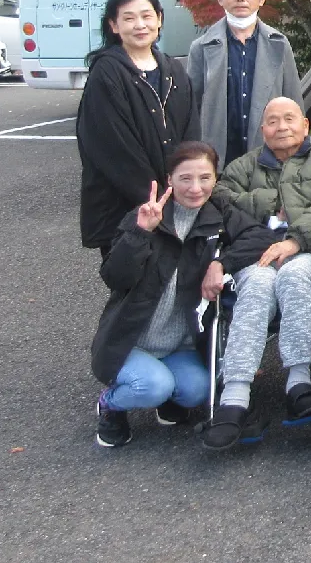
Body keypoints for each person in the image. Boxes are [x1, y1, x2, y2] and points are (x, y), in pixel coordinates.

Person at [198, 97, 311, 448]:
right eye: (273, 121)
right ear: (263, 130)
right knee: (255, 284)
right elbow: (219, 194)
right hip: (255, 252)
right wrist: (271, 201)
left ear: (306, 124)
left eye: (289, 119)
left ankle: (299, 382)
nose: (281, 127)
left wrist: (296, 238)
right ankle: (234, 398)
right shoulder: (246, 164)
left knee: (294, 275)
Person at [92, 142, 229, 447]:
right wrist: (141, 232)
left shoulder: (217, 216)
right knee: (152, 385)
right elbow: (114, 277)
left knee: (200, 389)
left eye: (205, 178)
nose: (195, 188)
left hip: (178, 344)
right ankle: (111, 405)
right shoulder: (147, 215)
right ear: (170, 179)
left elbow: (254, 238)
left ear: (216, 179)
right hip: (131, 342)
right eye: (185, 178)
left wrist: (221, 263)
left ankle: (169, 397)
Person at [77, 0, 200, 258]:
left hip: (175, 201)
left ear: (159, 19)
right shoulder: (106, 73)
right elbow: (114, 148)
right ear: (114, 25)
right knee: (134, 291)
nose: (140, 25)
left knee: (176, 286)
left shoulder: (174, 70)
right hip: (126, 207)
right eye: (129, 18)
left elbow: (192, 134)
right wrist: (157, 198)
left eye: (147, 16)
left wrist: (189, 184)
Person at [187, 0, 302, 166]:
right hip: (218, 158)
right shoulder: (201, 48)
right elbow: (191, 108)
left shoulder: (279, 44)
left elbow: (294, 101)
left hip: (270, 155)